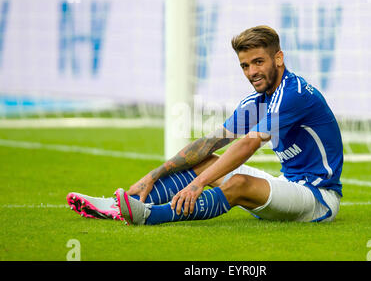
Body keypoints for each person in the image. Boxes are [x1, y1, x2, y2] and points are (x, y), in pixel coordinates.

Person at [67, 25, 344, 225]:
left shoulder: (292, 94)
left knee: (238, 182)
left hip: (318, 198)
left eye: (258, 62)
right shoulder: (259, 98)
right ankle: (123, 203)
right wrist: (153, 174)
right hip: (288, 184)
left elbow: (248, 143)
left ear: (278, 58)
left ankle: (152, 216)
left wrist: (198, 185)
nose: (251, 72)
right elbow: (212, 142)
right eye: (245, 66)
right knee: (203, 162)